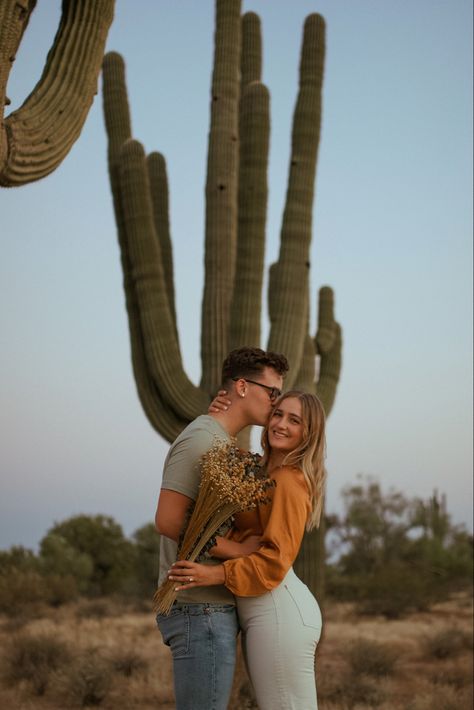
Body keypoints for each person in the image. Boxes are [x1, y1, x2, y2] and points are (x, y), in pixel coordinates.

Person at [169, 390, 326, 710]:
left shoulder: (289, 480)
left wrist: (212, 573)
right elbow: (228, 464)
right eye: (278, 414)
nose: (280, 424)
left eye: (294, 420)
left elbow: (274, 562)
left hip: (279, 609)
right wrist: (217, 419)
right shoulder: (259, 471)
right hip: (263, 609)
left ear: (309, 433)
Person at [154, 346, 289, 710]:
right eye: (272, 393)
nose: (277, 404)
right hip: (199, 609)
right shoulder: (201, 439)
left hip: (208, 610)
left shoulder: (218, 442)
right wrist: (239, 551)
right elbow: (167, 520)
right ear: (242, 387)